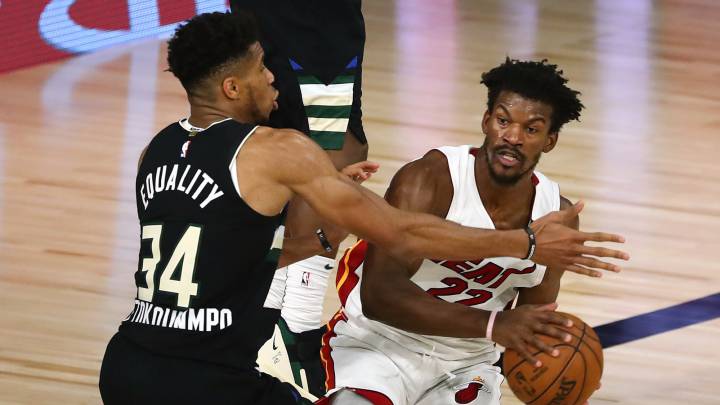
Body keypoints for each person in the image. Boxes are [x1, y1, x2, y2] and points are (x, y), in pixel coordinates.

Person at [98, 13, 627, 405]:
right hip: (207, 379)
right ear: (233, 87)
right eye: (264, 70)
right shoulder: (277, 149)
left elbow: (226, 252)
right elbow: (400, 235)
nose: (275, 80)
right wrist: (528, 244)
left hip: (128, 365)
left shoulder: (157, 149)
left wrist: (325, 231)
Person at [322, 58, 610, 405]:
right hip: (379, 344)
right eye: (504, 121)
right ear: (487, 121)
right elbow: (379, 296)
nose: (513, 137)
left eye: (531, 130)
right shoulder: (431, 180)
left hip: (467, 366)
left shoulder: (556, 216)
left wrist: (562, 373)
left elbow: (531, 323)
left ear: (549, 141)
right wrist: (492, 325)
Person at [228, 2, 369, 396]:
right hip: (310, 20)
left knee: (268, 134)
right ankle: (294, 328)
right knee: (329, 149)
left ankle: (266, 320)